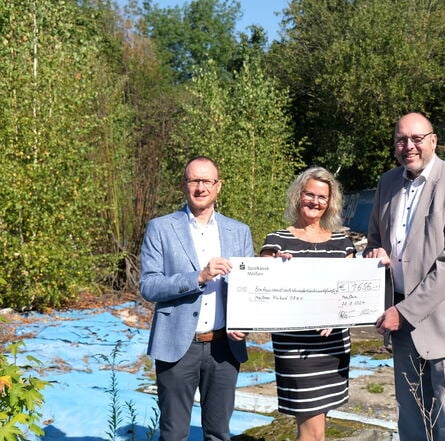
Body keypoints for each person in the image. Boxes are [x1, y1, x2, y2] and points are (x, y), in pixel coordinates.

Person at [364, 112, 445, 441]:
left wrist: (403, 313)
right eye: (401, 140)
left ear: (433, 140)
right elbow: (374, 240)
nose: (409, 146)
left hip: (443, 318)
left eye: (416, 139)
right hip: (398, 318)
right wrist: (375, 253)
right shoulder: (387, 182)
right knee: (412, 418)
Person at [140, 156, 253, 441]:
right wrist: (198, 277)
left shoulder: (239, 231)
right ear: (184, 184)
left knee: (218, 433)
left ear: (218, 186)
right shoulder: (161, 228)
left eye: (207, 181)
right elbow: (149, 286)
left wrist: (246, 324)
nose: (200, 187)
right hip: (178, 345)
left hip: (224, 348)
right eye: (194, 180)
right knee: (174, 433)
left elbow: (250, 289)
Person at [259, 167, 356, 441]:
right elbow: (260, 290)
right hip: (296, 346)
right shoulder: (277, 240)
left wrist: (337, 315)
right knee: (310, 429)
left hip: (333, 346)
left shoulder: (343, 243)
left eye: (322, 197)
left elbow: (351, 293)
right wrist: (277, 268)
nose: (315, 202)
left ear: (330, 202)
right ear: (298, 196)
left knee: (318, 426)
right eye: (309, 194)